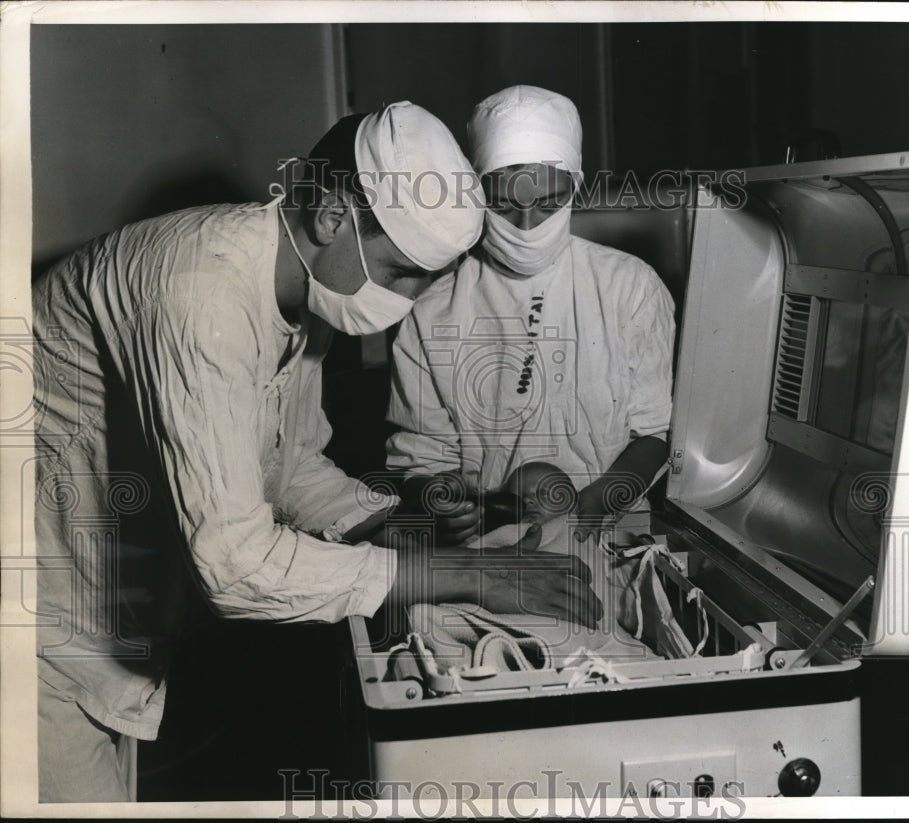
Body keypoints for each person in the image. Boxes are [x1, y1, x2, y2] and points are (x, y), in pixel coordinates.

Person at [32, 102, 599, 803]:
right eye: (402, 272)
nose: (412, 298)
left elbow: (289, 463)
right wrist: (464, 575)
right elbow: (236, 565)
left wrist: (389, 525)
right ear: (332, 215)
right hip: (32, 626)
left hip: (109, 612)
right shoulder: (201, 293)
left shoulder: (304, 289)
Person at [386, 86, 677, 545]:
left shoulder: (628, 287)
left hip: (610, 534)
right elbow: (423, 459)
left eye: (548, 203)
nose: (526, 228)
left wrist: (598, 501)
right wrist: (442, 499)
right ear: (476, 193)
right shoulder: (430, 313)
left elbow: (655, 433)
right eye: (503, 205)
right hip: (489, 546)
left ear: (576, 188)